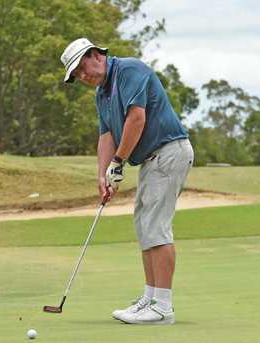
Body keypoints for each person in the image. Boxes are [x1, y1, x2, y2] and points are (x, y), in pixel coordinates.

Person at [60, 38, 194, 324]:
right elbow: (106, 135)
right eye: (77, 76)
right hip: (150, 160)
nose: (83, 77)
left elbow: (136, 119)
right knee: (145, 227)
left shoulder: (130, 71)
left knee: (156, 226)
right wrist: (103, 174)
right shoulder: (102, 94)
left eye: (82, 69)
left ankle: (163, 306)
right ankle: (150, 297)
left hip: (169, 152)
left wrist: (118, 162)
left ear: (96, 55)